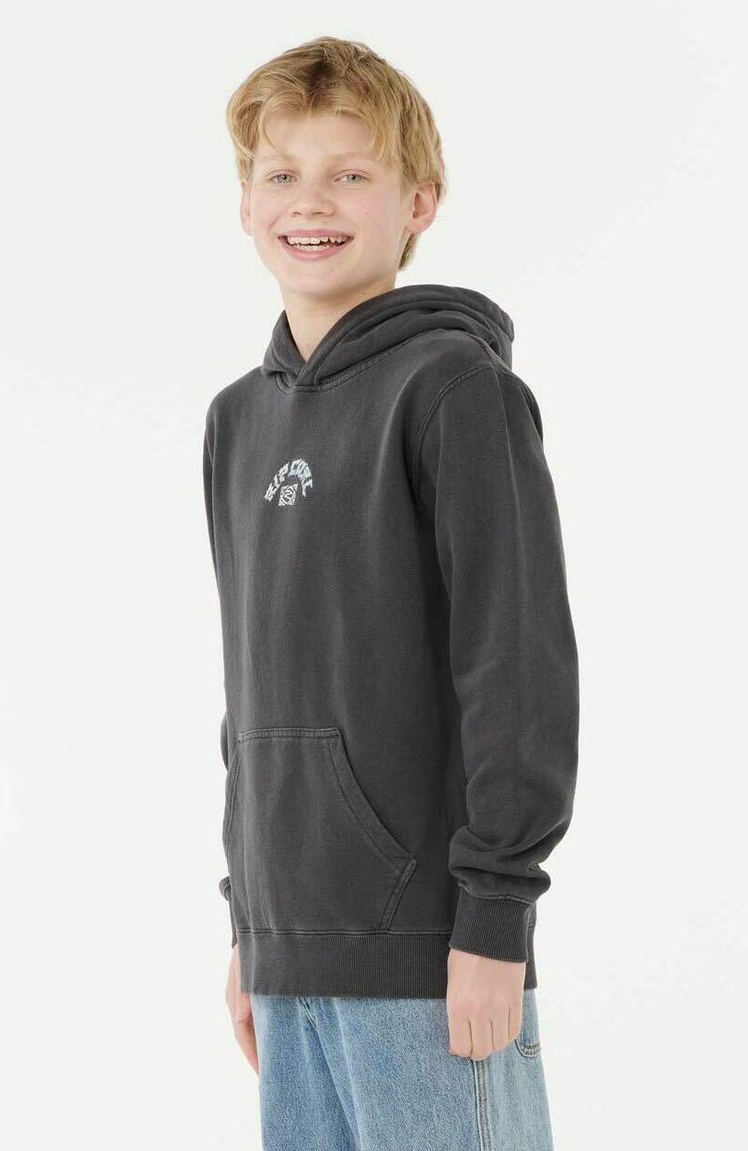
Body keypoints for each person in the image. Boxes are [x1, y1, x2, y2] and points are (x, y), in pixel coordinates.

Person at [203, 34, 579, 1151]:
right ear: (245, 203)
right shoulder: (237, 420)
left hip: (431, 949)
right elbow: (251, 687)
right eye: (282, 173)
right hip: (287, 950)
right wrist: (250, 925)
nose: (310, 202)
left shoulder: (455, 389)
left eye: (350, 173)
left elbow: (516, 664)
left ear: (418, 202)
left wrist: (495, 918)